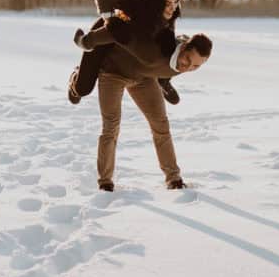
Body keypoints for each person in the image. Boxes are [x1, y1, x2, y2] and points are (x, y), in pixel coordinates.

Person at [91, 31, 213, 191]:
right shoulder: (163, 49)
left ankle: (174, 179)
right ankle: (105, 182)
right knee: (111, 126)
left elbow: (174, 60)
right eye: (188, 60)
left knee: (161, 124)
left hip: (143, 76)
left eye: (195, 66)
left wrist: (164, 81)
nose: (188, 67)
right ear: (182, 48)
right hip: (113, 72)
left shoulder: (182, 60)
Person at [68, 0, 183, 105]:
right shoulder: (136, 2)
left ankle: (164, 83)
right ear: (154, 1)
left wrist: (164, 77)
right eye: (168, 4)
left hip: (129, 40)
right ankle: (76, 79)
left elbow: (166, 52)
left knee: (168, 48)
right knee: (83, 89)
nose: (173, 8)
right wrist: (110, 21)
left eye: (176, 2)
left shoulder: (171, 13)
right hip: (111, 32)